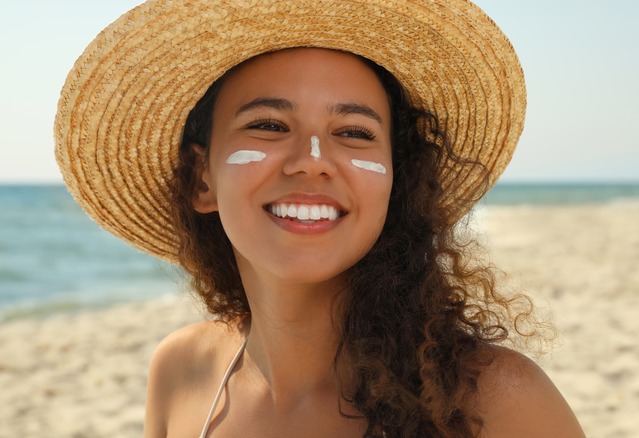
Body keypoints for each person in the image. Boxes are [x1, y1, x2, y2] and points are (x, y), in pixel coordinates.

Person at [55, 1, 585, 437]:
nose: (311, 157)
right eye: (267, 124)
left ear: (395, 182)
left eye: (354, 132)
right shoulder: (179, 372)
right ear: (202, 180)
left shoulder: (494, 403)